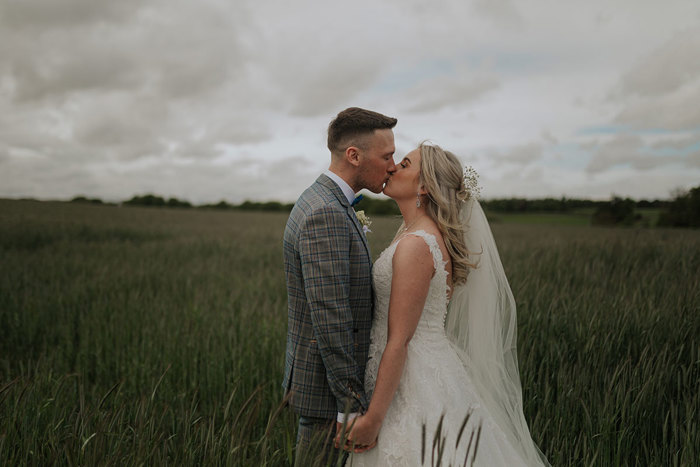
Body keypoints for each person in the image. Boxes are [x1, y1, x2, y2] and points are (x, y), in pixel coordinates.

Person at [341, 143, 549, 466]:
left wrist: (374, 420)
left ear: (423, 186)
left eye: (405, 163)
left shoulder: (415, 245)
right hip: (422, 369)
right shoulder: (416, 235)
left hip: (410, 381)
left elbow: (400, 339)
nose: (393, 166)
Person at [282, 107, 397, 465]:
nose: (392, 165)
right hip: (329, 399)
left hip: (327, 392)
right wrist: (350, 405)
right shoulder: (326, 214)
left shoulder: (328, 202)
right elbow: (331, 319)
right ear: (353, 155)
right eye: (387, 156)